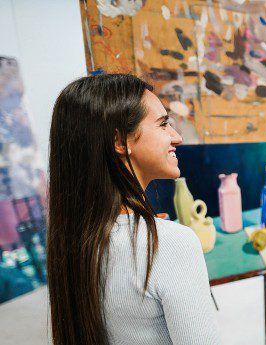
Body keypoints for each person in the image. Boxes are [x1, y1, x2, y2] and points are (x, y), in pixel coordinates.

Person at [46, 74, 220, 344]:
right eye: (163, 124)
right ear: (120, 141)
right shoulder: (171, 244)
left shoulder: (73, 240)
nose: (177, 137)